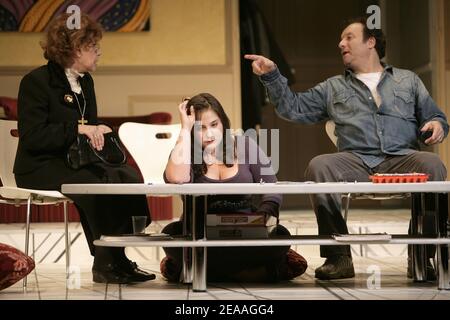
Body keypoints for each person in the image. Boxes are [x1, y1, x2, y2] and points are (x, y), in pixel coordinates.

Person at [245, 17, 448, 280]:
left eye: (349, 37)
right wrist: (272, 75)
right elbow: (292, 108)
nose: (341, 43)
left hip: (402, 159)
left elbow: (435, 116)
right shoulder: (333, 87)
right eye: (341, 40)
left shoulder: (408, 80)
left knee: (433, 164)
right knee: (320, 165)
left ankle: (421, 256)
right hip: (355, 161)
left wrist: (437, 124)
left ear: (371, 42)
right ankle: (338, 257)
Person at [13, 13, 155, 284]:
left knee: (126, 175)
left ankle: (118, 253)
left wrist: (97, 129)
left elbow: (88, 125)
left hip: (74, 160)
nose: (99, 52)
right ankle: (105, 263)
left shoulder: (85, 81)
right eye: (93, 47)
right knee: (94, 185)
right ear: (75, 49)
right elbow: (33, 136)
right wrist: (79, 130)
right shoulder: (36, 82)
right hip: (40, 165)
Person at [160, 93, 307, 282]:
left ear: (223, 122)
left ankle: (209, 272)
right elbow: (175, 178)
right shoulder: (186, 150)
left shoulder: (245, 145)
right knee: (170, 233)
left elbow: (272, 188)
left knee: (281, 235)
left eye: (214, 125)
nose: (209, 134)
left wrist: (263, 219)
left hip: (246, 233)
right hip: (200, 235)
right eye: (200, 128)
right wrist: (184, 129)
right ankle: (249, 273)